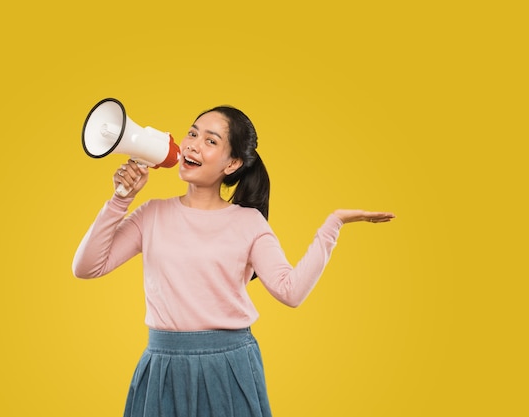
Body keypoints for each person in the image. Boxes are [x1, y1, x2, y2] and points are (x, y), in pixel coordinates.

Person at [72, 105, 395, 417]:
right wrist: (121, 198)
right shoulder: (152, 214)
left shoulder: (248, 223)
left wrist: (332, 225)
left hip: (228, 365)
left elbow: (290, 292)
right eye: (192, 133)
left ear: (232, 164)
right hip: (163, 364)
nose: (193, 146)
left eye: (210, 141)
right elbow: (87, 268)